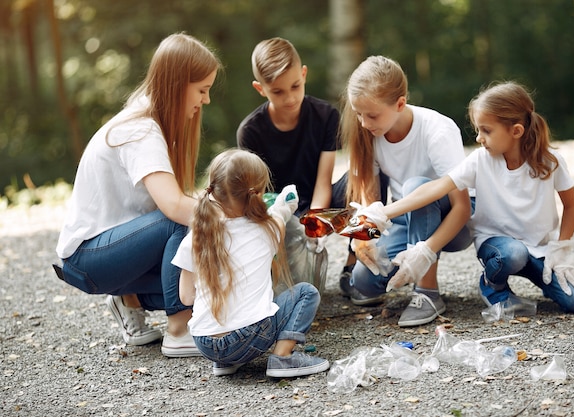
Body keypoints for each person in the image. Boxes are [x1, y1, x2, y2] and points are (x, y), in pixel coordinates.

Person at [358, 81, 574, 314]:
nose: (479, 138)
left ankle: (540, 279)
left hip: (539, 249)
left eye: (486, 131)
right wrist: (383, 212)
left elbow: (571, 206)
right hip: (498, 247)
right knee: (513, 253)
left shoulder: (551, 162)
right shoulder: (480, 160)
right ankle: (493, 286)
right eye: (478, 130)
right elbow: (437, 188)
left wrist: (561, 249)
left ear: (517, 131)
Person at [54, 33, 222, 357]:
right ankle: (179, 330)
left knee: (208, 286)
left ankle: (130, 298)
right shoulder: (141, 129)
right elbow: (174, 208)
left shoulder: (149, 121)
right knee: (180, 220)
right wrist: (229, 216)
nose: (206, 100)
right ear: (178, 84)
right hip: (88, 256)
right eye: (202, 90)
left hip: (112, 252)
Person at [172, 149, 330, 378]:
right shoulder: (268, 228)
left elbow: (186, 298)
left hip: (204, 342)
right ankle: (283, 358)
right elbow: (280, 214)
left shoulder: (195, 237)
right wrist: (285, 204)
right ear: (257, 193)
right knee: (306, 292)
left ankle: (224, 362)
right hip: (251, 337)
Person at [340, 56, 472, 326]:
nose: (364, 123)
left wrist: (425, 252)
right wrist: (363, 237)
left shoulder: (437, 131)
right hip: (406, 218)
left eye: (372, 115)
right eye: (358, 113)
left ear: (400, 104)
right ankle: (411, 267)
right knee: (364, 281)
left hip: (454, 223)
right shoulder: (370, 132)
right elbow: (370, 201)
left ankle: (427, 292)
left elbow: (463, 207)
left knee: (416, 186)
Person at [236, 37, 374, 284]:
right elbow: (258, 198)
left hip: (320, 201)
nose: (289, 98)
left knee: (368, 174)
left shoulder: (326, 116)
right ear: (260, 89)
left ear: (304, 74)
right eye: (277, 92)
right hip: (278, 211)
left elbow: (324, 180)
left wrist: (315, 220)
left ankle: (355, 265)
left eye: (295, 86)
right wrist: (288, 225)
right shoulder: (250, 131)